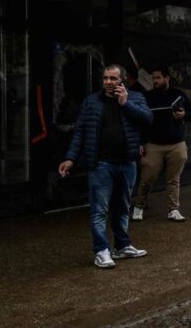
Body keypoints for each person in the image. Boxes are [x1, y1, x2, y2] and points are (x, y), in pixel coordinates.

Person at [58, 64, 153, 269]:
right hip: (101, 164)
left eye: (113, 78)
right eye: (105, 78)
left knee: (122, 208)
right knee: (99, 210)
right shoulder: (92, 102)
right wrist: (70, 158)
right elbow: (81, 132)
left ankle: (122, 246)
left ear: (123, 80)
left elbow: (148, 119)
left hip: (127, 163)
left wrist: (125, 103)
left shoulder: (135, 98)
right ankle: (101, 251)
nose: (109, 82)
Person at [132, 66, 191, 222]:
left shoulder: (178, 95)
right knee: (147, 177)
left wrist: (183, 115)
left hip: (176, 144)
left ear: (167, 78)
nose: (155, 81)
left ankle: (173, 210)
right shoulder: (147, 97)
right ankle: (139, 206)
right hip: (153, 144)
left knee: (173, 179)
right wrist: (141, 141)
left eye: (158, 78)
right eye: (153, 78)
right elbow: (141, 121)